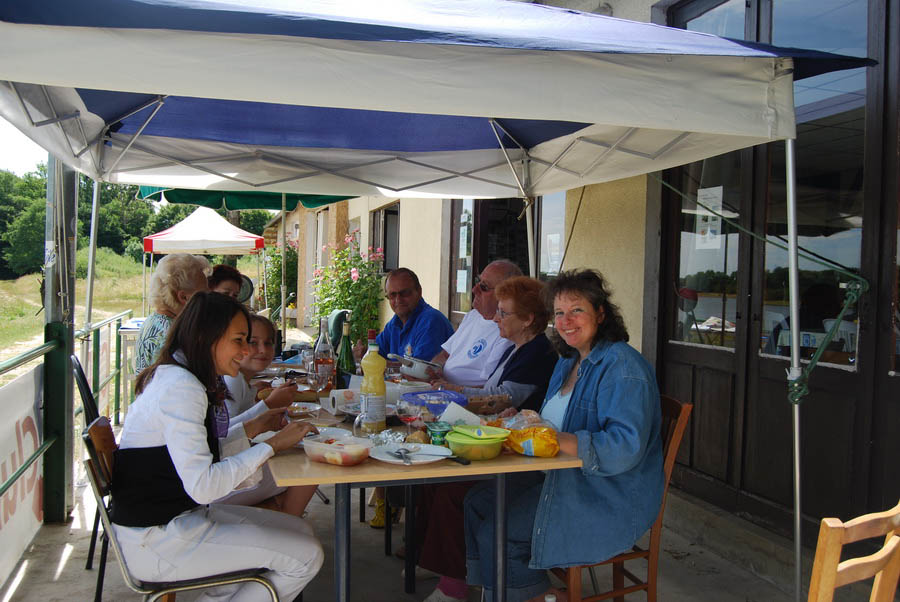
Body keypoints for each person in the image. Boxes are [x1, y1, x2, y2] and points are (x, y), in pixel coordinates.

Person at [464, 269, 664, 602]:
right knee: (476, 502)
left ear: (600, 313)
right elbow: (551, 422)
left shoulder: (623, 368)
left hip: (601, 494)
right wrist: (522, 420)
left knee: (498, 532)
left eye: (576, 310)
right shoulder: (568, 360)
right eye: (559, 313)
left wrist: (556, 439)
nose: (566, 321)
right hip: (558, 476)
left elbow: (624, 449)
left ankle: (536, 594)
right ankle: (501, 591)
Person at [110, 291, 324, 601]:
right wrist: (273, 445)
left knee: (299, 532)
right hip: (158, 539)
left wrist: (254, 427)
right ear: (206, 337)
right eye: (239, 340)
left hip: (176, 520)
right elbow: (204, 486)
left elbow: (202, 454)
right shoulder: (181, 388)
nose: (245, 350)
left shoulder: (179, 375)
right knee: (307, 556)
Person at [419, 277, 558, 602]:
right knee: (430, 477)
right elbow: (495, 396)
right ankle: (440, 563)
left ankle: (455, 584)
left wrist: (453, 393)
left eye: (503, 313)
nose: (495, 319)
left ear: (528, 319)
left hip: (519, 456)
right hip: (505, 442)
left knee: (452, 488)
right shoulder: (518, 349)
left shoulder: (538, 352)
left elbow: (503, 398)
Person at [220, 313, 319, 516]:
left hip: (230, 466)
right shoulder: (232, 380)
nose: (263, 350)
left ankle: (280, 511)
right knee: (310, 463)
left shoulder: (243, 380)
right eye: (253, 343)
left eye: (268, 343)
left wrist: (259, 398)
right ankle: (287, 519)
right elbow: (223, 432)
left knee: (298, 453)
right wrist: (267, 405)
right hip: (220, 479)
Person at [429, 259, 523, 387]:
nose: (474, 289)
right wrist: (435, 370)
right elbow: (445, 354)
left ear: (505, 295)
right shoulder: (472, 315)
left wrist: (450, 388)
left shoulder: (507, 331)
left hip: (463, 397)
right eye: (477, 281)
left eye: (484, 287)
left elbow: (489, 388)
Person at [134, 253, 210, 373]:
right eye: (203, 294)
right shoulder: (173, 334)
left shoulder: (153, 320)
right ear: (183, 297)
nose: (207, 299)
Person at [368, 267, 454, 361]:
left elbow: (420, 368)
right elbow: (373, 354)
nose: (398, 300)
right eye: (392, 295)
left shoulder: (431, 322)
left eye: (404, 293)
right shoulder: (394, 324)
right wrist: (363, 353)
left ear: (419, 292)